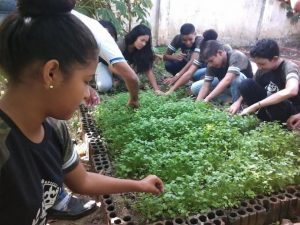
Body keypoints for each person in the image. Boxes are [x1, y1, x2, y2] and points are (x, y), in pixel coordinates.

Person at [0, 1, 164, 225]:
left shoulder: (54, 128)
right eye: (86, 81)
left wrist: (139, 184)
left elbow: (82, 181)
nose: (88, 93)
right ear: (51, 74)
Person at [228, 39, 300, 123]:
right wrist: (238, 102)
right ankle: (265, 120)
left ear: (274, 59)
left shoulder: (289, 67)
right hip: (270, 107)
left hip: (290, 109)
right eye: (257, 64)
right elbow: (252, 86)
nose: (259, 67)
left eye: (262, 64)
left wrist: (255, 106)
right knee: (246, 84)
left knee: (275, 98)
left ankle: (280, 124)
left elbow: (292, 90)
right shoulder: (262, 70)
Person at [164, 29, 222, 95]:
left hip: (226, 78)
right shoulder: (204, 53)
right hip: (213, 75)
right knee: (195, 81)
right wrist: (171, 90)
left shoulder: (227, 51)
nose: (188, 42)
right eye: (184, 40)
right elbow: (190, 72)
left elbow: (228, 78)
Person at [117, 24, 163, 94]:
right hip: (113, 68)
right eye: (142, 40)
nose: (144, 44)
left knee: (136, 81)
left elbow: (148, 69)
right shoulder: (120, 44)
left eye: (146, 42)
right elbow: (111, 64)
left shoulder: (143, 49)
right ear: (135, 37)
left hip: (126, 69)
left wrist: (156, 89)